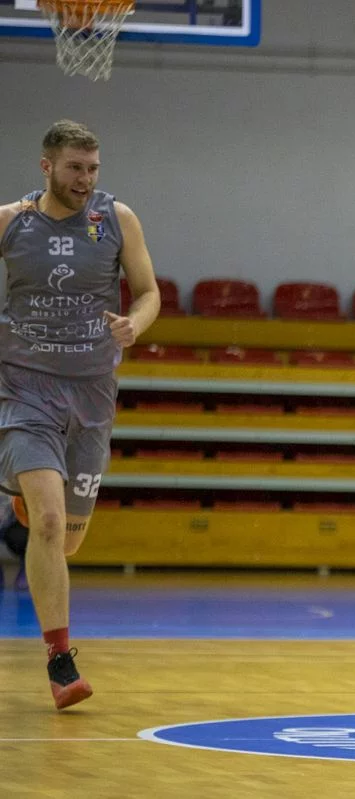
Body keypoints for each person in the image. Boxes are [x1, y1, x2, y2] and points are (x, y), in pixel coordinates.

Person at [0, 120, 161, 708]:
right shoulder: (11, 221)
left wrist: (133, 325)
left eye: (92, 169)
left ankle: (24, 493)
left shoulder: (118, 219)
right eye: (74, 168)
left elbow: (148, 292)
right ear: (47, 167)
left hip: (91, 394)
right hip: (25, 390)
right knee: (46, 523)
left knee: (66, 543)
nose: (85, 179)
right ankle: (60, 661)